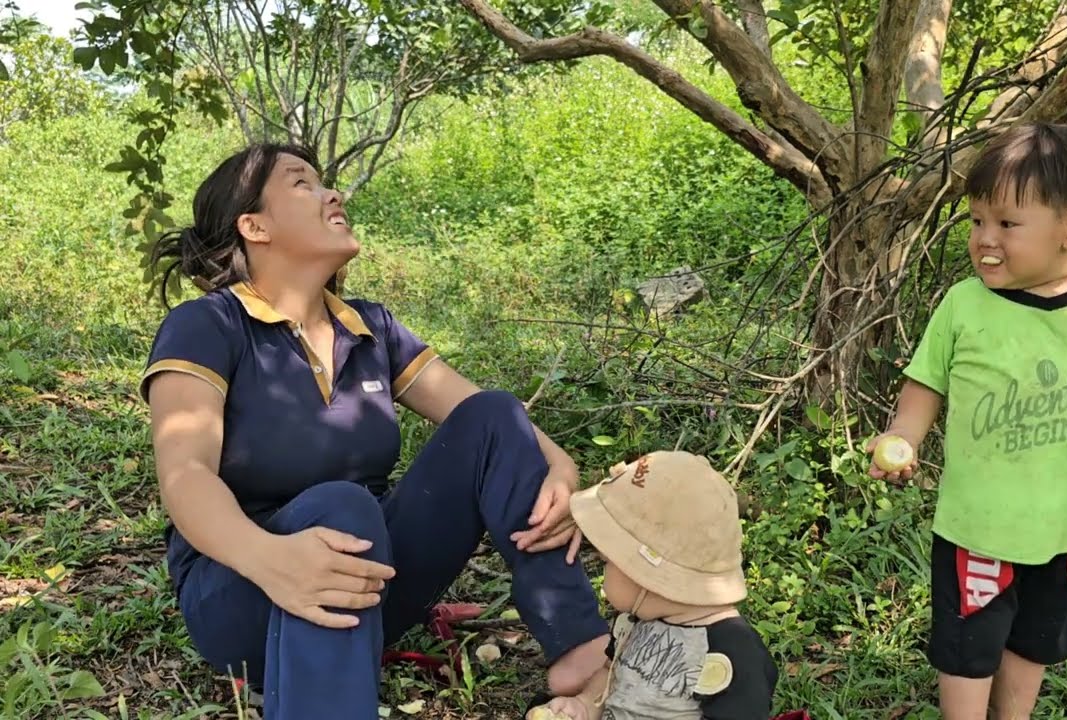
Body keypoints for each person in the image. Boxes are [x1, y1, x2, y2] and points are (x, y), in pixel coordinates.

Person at [140, 143, 609, 720]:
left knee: (493, 412)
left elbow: (487, 417)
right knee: (342, 505)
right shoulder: (208, 324)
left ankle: (584, 657)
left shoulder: (370, 327)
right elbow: (185, 475)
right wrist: (268, 558)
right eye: (302, 184)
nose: (332, 194)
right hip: (245, 587)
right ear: (254, 225)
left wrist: (561, 464)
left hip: (366, 580)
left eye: (323, 182)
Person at [866, 123, 1067, 720]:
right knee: (967, 650)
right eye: (977, 220)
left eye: (1007, 223)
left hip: (1066, 530)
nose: (985, 239)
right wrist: (903, 434)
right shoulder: (964, 305)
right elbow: (925, 384)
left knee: (1035, 642)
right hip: (976, 530)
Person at [526, 451, 778, 720]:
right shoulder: (638, 620)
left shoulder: (733, 653)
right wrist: (585, 704)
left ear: (644, 573)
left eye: (606, 562)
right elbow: (610, 673)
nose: (603, 571)